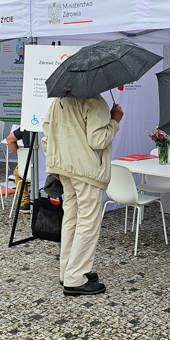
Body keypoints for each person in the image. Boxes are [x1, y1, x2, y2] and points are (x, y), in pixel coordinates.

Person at [42, 95, 123, 296]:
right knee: (88, 221)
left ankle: (68, 271)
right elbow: (98, 140)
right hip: (86, 170)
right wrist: (114, 121)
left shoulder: (58, 101)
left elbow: (46, 135)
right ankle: (75, 277)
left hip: (64, 168)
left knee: (71, 218)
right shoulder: (94, 101)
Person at [6, 125, 34, 213]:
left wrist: (21, 159)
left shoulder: (27, 126)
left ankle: (24, 202)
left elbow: (10, 139)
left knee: (18, 172)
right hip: (49, 168)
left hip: (28, 168)